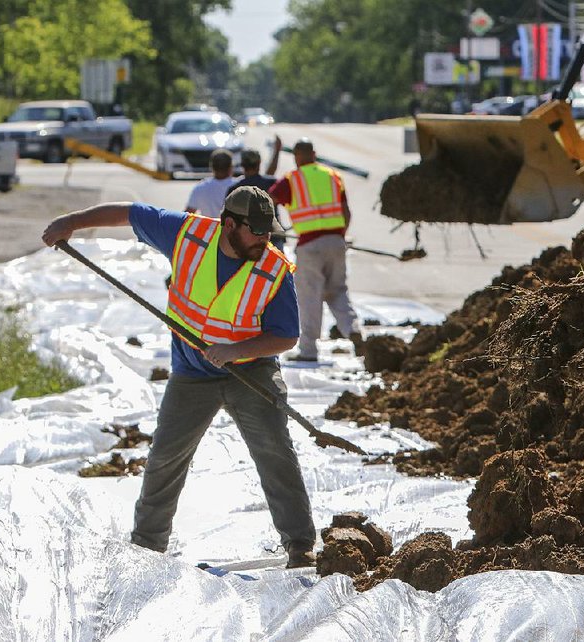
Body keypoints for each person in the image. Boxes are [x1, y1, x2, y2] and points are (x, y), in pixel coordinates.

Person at [41, 186, 317, 568]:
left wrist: (235, 351)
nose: (265, 237)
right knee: (165, 458)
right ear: (229, 224)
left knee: (275, 453)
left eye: (267, 229)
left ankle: (300, 544)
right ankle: (146, 546)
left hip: (251, 372)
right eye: (256, 230)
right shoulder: (188, 235)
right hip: (192, 376)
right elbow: (130, 211)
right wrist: (72, 222)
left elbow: (286, 336)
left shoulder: (273, 269)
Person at [270, 138, 363, 362]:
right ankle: (353, 331)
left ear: (296, 157)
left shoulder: (292, 180)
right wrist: (340, 236)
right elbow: (346, 212)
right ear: (314, 154)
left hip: (309, 246)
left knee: (310, 297)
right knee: (338, 291)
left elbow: (269, 197)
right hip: (336, 242)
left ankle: (309, 350)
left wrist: (274, 227)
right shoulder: (333, 176)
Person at [228, 135, 286, 250]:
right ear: (259, 163)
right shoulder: (270, 183)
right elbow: (269, 175)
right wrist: (277, 151)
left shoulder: (235, 188)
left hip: (246, 242)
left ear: (242, 164)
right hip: (273, 240)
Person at [184, 148, 237, 218]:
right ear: (231, 167)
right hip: (231, 228)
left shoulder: (200, 187)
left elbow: (188, 214)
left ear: (211, 167)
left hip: (210, 228)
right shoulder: (238, 186)